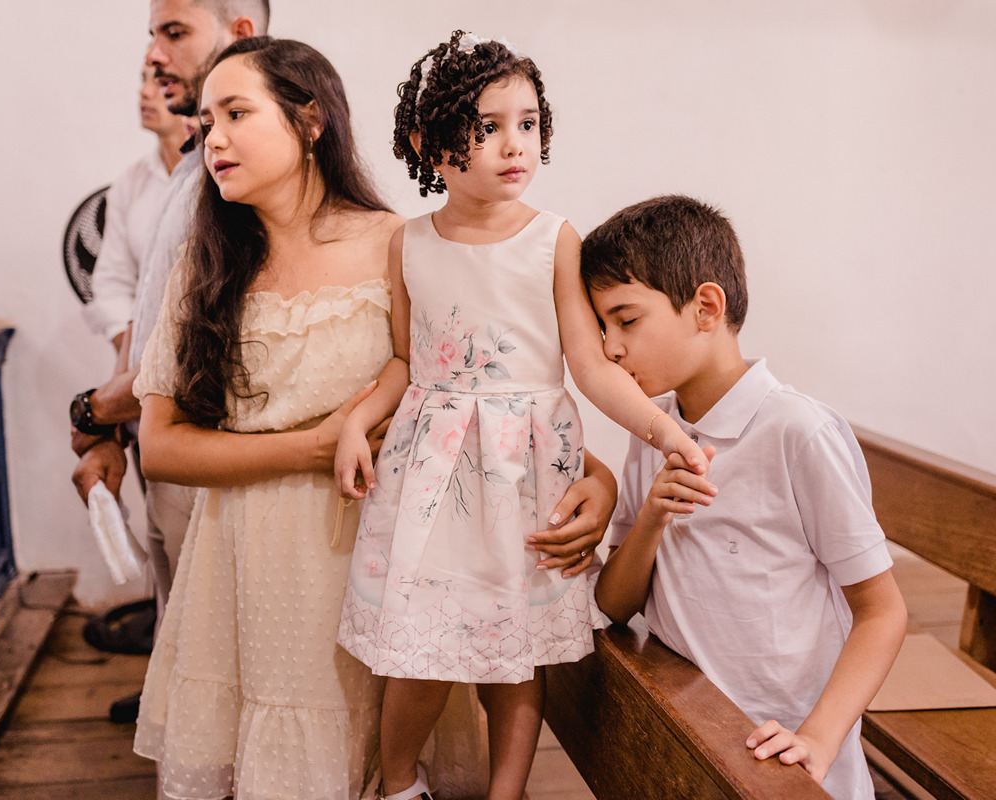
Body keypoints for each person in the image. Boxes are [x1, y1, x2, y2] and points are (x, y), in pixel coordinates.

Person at [131, 36, 616, 800]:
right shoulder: (205, 263)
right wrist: (316, 445)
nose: (211, 137)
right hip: (246, 569)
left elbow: (476, 389)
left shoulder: (401, 242)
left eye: (234, 112)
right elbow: (158, 449)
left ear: (310, 121)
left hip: (388, 557)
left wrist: (600, 478)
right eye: (204, 117)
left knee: (374, 755)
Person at [333, 31, 709, 800]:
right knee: (421, 649)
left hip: (522, 467)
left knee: (515, 651)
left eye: (529, 123)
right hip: (434, 470)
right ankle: (399, 783)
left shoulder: (553, 240)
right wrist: (353, 421)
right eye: (488, 125)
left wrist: (664, 431)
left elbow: (588, 363)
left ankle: (508, 793)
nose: (516, 144)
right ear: (428, 145)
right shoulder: (410, 243)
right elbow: (408, 359)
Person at [585, 195, 907, 800]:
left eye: (626, 321)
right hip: (686, 733)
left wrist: (817, 738)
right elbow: (613, 603)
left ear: (705, 307)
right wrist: (653, 516)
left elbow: (882, 612)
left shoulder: (796, 430)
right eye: (602, 327)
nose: (609, 349)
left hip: (789, 761)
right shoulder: (651, 428)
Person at [69, 0, 269, 725]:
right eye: (152, 33)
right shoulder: (192, 172)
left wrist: (94, 412)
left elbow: (199, 348)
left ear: (240, 34)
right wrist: (115, 429)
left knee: (225, 682)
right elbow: (148, 321)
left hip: (214, 455)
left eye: (174, 32)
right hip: (164, 446)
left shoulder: (242, 177)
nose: (154, 55)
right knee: (189, 666)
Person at [83, 65, 188, 354]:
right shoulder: (130, 182)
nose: (144, 91)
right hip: (140, 353)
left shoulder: (220, 176)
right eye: (143, 80)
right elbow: (112, 283)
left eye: (160, 81)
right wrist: (137, 361)